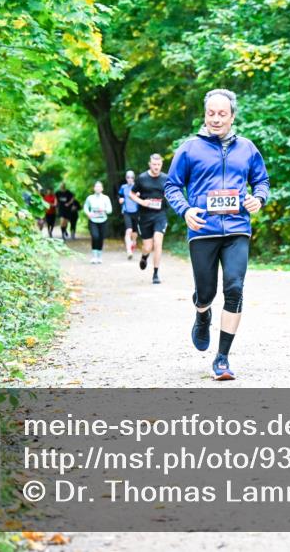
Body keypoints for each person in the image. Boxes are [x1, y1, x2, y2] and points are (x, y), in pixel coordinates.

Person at [164, 88, 269, 381]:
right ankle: (202, 313)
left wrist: (258, 199)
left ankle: (222, 358)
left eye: (222, 113)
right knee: (206, 292)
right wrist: (185, 210)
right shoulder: (189, 148)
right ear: (205, 115)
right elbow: (172, 186)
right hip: (203, 231)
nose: (216, 119)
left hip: (237, 229)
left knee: (234, 288)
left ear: (232, 116)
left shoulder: (247, 148)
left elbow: (261, 180)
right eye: (211, 113)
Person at [129, 154, 169, 284]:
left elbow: (171, 192)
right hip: (145, 216)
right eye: (154, 164)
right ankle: (144, 256)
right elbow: (131, 194)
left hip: (160, 215)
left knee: (158, 242)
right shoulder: (142, 178)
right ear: (150, 164)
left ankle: (156, 273)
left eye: (158, 165)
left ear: (161, 165)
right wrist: (142, 202)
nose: (156, 167)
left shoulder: (165, 178)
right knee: (148, 246)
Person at [83, 181, 112, 264]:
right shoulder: (90, 198)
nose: (98, 188)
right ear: (94, 188)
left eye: (99, 186)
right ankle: (94, 256)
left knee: (101, 238)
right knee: (95, 236)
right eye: (96, 186)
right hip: (93, 221)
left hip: (103, 221)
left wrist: (104, 210)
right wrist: (88, 213)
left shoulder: (106, 198)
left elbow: (110, 210)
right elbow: (85, 207)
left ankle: (99, 256)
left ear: (102, 188)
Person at [118, 170, 140, 259]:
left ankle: (133, 242)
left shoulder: (137, 186)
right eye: (128, 177)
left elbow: (144, 197)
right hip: (126, 211)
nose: (130, 179)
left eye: (131, 177)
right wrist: (120, 200)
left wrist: (139, 195)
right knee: (128, 231)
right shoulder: (123, 187)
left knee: (134, 233)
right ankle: (129, 251)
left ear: (134, 178)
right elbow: (120, 196)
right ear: (126, 178)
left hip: (136, 212)